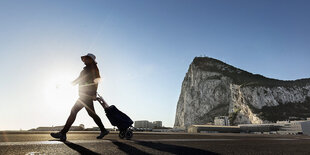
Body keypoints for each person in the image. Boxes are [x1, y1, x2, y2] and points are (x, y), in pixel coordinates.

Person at [51, 53, 109, 141]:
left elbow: (96, 81)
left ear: (91, 60)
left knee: (73, 111)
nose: (84, 60)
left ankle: (63, 133)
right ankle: (103, 130)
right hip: (84, 95)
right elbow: (78, 80)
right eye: (84, 59)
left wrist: (93, 93)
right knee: (91, 114)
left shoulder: (92, 69)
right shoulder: (86, 69)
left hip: (86, 95)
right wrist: (65, 85)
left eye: (86, 59)